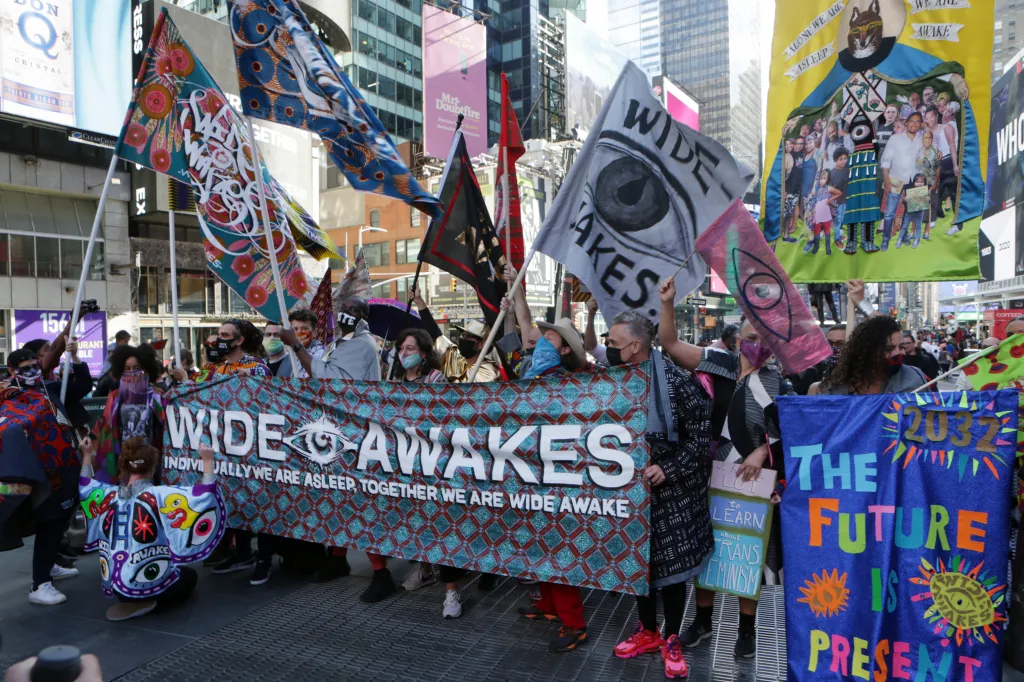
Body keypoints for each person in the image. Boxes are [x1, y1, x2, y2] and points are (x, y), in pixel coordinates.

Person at [658, 280, 785, 659]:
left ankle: (748, 630)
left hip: (754, 480)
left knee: (750, 553)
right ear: (736, 337)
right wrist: (666, 304)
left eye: (764, 338)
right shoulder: (721, 363)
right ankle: (703, 621)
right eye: (750, 336)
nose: (757, 344)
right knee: (708, 550)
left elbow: (789, 432)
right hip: (711, 473)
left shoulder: (778, 380)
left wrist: (764, 453)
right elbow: (671, 344)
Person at [608, 311, 713, 678]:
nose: (609, 348)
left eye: (613, 343)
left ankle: (671, 638)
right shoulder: (617, 378)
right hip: (634, 493)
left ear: (635, 346)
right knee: (639, 564)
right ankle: (647, 630)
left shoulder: (675, 380)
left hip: (676, 493)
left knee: (673, 570)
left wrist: (667, 469)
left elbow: (702, 438)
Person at [280, 298, 396, 600]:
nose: (347, 315)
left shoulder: (362, 344)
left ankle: (380, 572)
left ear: (361, 318)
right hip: (337, 430)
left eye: (355, 311)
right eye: (345, 309)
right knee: (337, 498)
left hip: (358, 433)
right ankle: (337, 558)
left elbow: (329, 378)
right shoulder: (341, 343)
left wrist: (297, 346)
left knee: (361, 503)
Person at [79, 437, 224, 620]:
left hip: (116, 585)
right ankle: (148, 599)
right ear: (153, 468)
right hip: (148, 584)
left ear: (124, 466)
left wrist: (86, 455)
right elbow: (204, 496)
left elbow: (86, 486)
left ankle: (137, 598)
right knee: (189, 576)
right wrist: (208, 461)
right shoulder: (160, 496)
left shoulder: (108, 495)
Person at [516, 317, 592, 653]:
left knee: (557, 549)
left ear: (563, 350)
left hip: (558, 479)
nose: (542, 341)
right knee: (538, 545)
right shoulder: (532, 378)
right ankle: (548, 605)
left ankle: (573, 624)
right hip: (533, 473)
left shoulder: (566, 384)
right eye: (542, 336)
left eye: (551, 338)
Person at [0, 348, 83, 605]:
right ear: (13, 371)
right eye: (26, 368)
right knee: (50, 522)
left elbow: (79, 389)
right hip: (40, 471)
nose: (33, 371)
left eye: (36, 365)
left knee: (61, 519)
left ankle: (51, 565)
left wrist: (76, 359)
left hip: (65, 463)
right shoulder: (10, 397)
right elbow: (9, 427)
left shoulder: (49, 388)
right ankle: (40, 583)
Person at [91, 344, 168, 484]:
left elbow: (166, 427)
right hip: (122, 458)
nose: (132, 372)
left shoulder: (156, 396)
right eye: (127, 369)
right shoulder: (115, 397)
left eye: (136, 368)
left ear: (146, 368)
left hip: (150, 460)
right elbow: (105, 427)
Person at [811, 316, 928, 395]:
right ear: (867, 351)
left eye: (901, 347)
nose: (898, 353)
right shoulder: (835, 387)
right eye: (888, 349)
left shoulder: (913, 380)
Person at [880, 112, 924, 251]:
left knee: (911, 211)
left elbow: (930, 154)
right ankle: (885, 239)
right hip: (896, 180)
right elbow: (885, 161)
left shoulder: (922, 139)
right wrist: (886, 181)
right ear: (907, 123)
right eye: (912, 121)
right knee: (889, 212)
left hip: (916, 181)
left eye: (917, 121)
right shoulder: (895, 138)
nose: (914, 124)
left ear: (921, 124)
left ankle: (904, 236)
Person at [803, 170, 842, 255]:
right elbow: (810, 201)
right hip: (816, 216)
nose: (821, 180)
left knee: (827, 232)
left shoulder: (828, 188)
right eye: (820, 178)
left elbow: (839, 193)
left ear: (827, 179)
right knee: (816, 231)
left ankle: (828, 248)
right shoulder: (814, 189)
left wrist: (829, 200)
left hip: (826, 215)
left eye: (824, 178)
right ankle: (816, 246)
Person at [897, 174, 930, 249]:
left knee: (918, 227)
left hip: (919, 213)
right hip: (909, 213)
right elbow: (903, 202)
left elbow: (927, 203)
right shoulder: (910, 191)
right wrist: (905, 199)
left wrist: (928, 199)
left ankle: (916, 240)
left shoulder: (924, 192)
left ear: (924, 183)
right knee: (905, 226)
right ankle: (900, 239)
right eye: (917, 182)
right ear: (914, 183)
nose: (920, 183)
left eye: (922, 182)